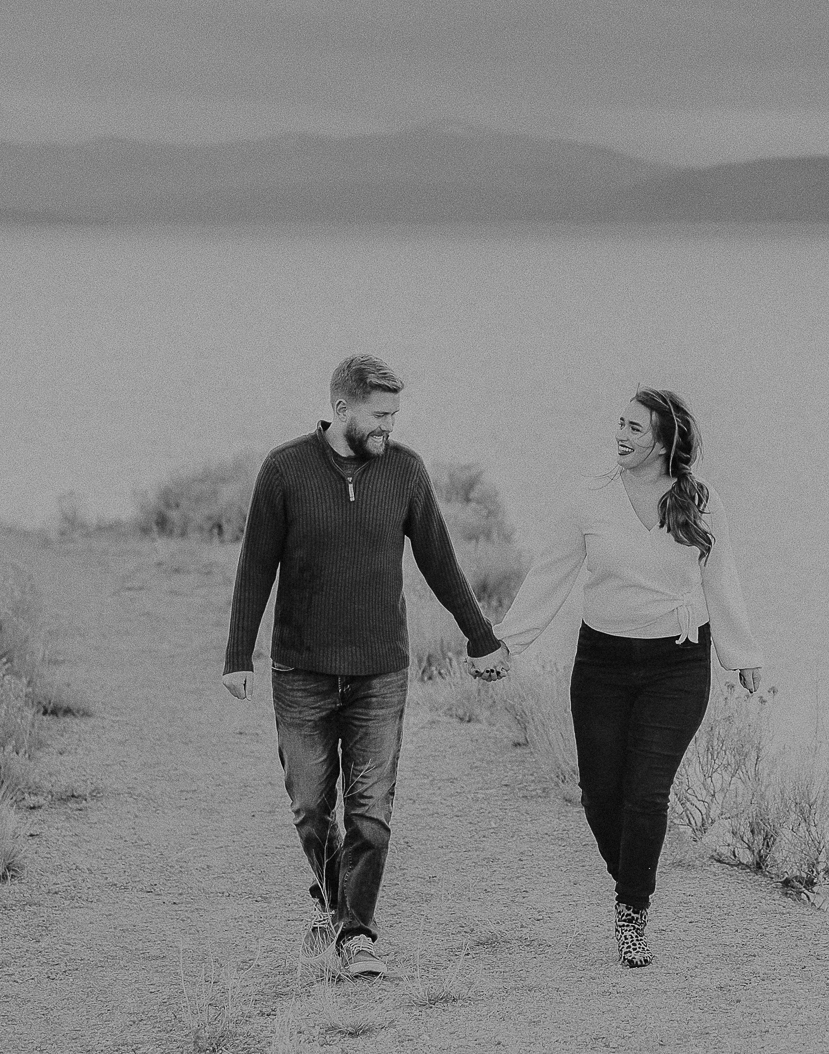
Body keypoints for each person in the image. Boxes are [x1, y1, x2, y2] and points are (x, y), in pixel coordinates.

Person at [221, 354, 509, 979]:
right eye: (379, 416)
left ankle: (355, 934)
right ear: (342, 408)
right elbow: (255, 567)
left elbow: (440, 560)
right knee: (307, 805)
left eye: (395, 416)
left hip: (380, 671)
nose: (388, 428)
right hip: (301, 671)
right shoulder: (285, 469)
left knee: (371, 811)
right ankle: (333, 900)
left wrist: (481, 637)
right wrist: (237, 655)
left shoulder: (404, 471)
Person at [495, 388, 763, 967]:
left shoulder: (701, 499)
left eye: (635, 430)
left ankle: (631, 911)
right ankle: (633, 874)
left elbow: (723, 577)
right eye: (620, 425)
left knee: (646, 793)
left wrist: (742, 653)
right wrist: (505, 646)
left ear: (665, 442)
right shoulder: (591, 500)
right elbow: (551, 576)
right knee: (601, 795)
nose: (621, 436)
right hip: (603, 665)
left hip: (678, 663)